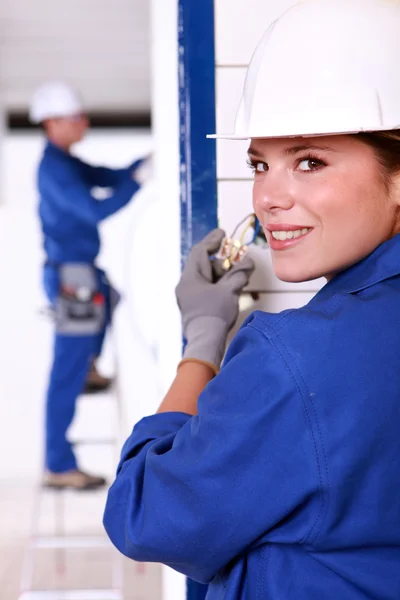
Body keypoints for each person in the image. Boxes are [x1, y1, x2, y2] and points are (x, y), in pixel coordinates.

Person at [103, 1, 400, 598]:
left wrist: (202, 343)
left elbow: (144, 515)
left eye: (310, 161)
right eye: (261, 164)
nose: (268, 197)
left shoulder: (293, 360)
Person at [30, 81, 151, 490]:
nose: (83, 121)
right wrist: (137, 182)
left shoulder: (66, 162)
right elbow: (95, 209)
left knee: (110, 296)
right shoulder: (54, 169)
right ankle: (58, 464)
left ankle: (90, 367)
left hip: (81, 272)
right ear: (51, 123)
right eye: (74, 117)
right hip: (71, 276)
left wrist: (139, 165)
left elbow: (105, 175)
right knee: (66, 371)